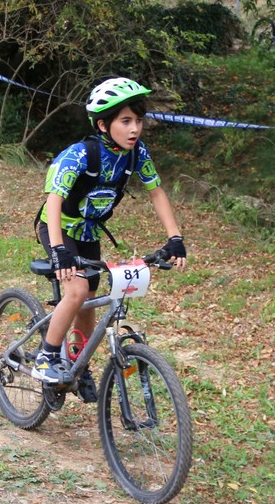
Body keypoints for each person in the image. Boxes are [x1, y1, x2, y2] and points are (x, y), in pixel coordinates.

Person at [33, 77, 187, 394]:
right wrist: (59, 250)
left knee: (89, 301)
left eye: (138, 121)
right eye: (125, 121)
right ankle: (46, 356)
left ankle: (77, 366)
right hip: (59, 227)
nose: (135, 129)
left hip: (88, 231)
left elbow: (157, 192)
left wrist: (175, 238)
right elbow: (54, 200)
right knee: (76, 291)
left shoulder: (136, 154)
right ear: (103, 125)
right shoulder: (79, 155)